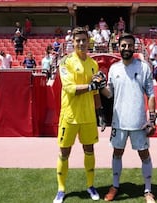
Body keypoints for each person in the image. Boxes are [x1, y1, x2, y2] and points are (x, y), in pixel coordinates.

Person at [98, 33, 157, 203]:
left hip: (139, 122)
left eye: (130, 45)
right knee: (117, 153)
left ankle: (148, 190)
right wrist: (99, 86)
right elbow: (109, 94)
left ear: (134, 47)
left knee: (144, 154)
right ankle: (115, 186)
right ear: (119, 47)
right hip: (119, 121)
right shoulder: (114, 68)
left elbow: (151, 95)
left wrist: (152, 119)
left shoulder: (144, 67)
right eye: (123, 45)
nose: (126, 48)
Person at [53, 26, 104, 203]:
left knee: (89, 150)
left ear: (88, 41)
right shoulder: (65, 62)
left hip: (88, 116)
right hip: (69, 116)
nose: (81, 43)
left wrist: (100, 113)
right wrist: (92, 86)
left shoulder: (93, 63)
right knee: (64, 152)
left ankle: (90, 186)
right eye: (78, 40)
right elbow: (69, 88)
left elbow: (96, 92)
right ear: (73, 42)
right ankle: (61, 189)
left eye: (84, 40)